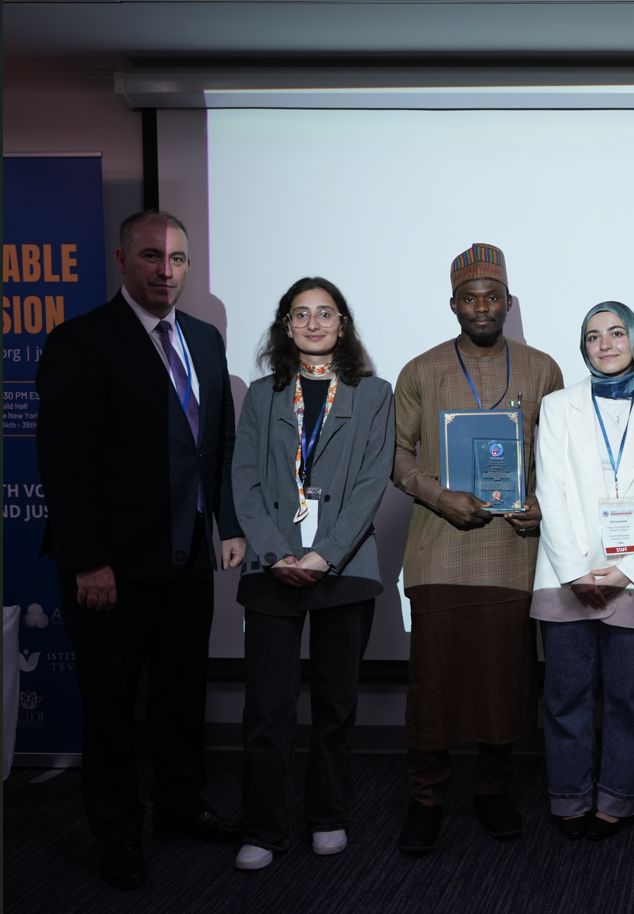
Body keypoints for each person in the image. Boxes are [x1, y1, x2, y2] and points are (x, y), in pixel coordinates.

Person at [35, 211, 246, 889]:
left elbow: (218, 443)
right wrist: (89, 559)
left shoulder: (205, 339)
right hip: (111, 569)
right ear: (122, 260)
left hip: (187, 558)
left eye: (177, 258)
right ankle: (117, 833)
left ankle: (180, 806)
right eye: (152, 256)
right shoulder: (80, 341)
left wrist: (228, 524)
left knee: (181, 696)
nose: (166, 270)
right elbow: (65, 461)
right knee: (111, 705)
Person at [392, 244, 564, 852]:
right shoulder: (421, 370)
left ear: (509, 303)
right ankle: (426, 797)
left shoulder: (543, 370)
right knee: (433, 682)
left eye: (493, 297)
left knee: (504, 680)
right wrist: (440, 496)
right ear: (453, 304)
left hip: (513, 552)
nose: (482, 307)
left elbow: (559, 459)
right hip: (440, 548)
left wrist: (542, 503)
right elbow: (397, 456)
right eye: (471, 298)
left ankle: (493, 791)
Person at [229, 277, 394, 870]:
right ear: (286, 325)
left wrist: (326, 554)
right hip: (271, 568)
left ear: (342, 324)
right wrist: (277, 553)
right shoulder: (263, 394)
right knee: (267, 708)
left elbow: (372, 480)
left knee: (335, 704)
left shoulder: (374, 394)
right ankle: (262, 827)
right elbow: (244, 478)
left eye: (325, 313)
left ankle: (328, 816)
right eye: (301, 314)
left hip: (343, 569)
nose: (314, 323)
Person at [532, 301, 634, 839]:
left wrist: (628, 571)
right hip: (565, 574)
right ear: (584, 348)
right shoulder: (557, 407)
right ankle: (570, 797)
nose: (606, 344)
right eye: (594, 336)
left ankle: (619, 797)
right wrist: (575, 570)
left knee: (627, 698)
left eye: (617, 333)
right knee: (565, 697)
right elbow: (550, 491)